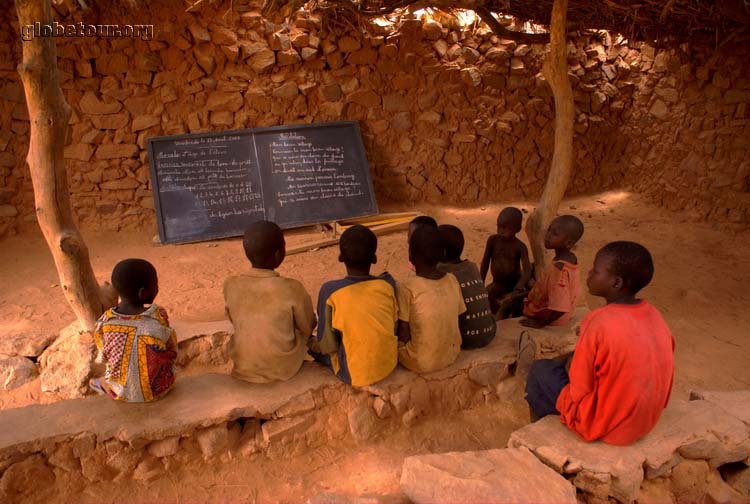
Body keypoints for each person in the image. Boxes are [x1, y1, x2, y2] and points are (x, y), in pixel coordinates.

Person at [524, 241, 675, 445]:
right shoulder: (655, 316)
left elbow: (579, 390)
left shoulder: (598, 321)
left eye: (596, 271)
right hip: (644, 421)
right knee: (567, 360)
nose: (588, 273)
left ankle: (542, 436)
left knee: (539, 370)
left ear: (616, 283)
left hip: (605, 425)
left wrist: (569, 367)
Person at [223, 220, 316, 383]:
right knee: (304, 334)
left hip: (243, 367)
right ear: (279, 253)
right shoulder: (292, 288)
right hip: (283, 369)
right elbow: (308, 327)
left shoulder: (230, 284)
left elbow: (234, 320)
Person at [312, 225, 398, 387]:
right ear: (374, 258)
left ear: (340, 257)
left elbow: (327, 344)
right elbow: (393, 327)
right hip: (388, 364)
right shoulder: (387, 285)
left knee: (311, 345)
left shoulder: (330, 290)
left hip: (351, 373)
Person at [91, 258, 177, 402]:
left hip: (122, 394)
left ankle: (102, 384)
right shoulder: (158, 315)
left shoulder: (105, 321)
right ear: (143, 293)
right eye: (155, 284)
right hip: (158, 391)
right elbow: (172, 349)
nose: (158, 288)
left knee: (107, 373)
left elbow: (103, 357)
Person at [397, 226, 467, 373]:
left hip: (419, 362)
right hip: (451, 355)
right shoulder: (452, 280)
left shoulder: (406, 287)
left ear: (410, 255)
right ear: (443, 254)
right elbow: (459, 316)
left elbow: (403, 331)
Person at [437, 224, 496, 349]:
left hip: (465, 339)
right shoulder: (472, 266)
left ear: (442, 252)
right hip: (490, 332)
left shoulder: (443, 272)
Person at [521, 215, 584, 328]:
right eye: (549, 230)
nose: (548, 236)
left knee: (510, 304)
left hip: (552, 318)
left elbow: (561, 308)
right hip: (555, 309)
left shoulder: (559, 272)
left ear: (569, 243)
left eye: (554, 234)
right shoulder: (570, 259)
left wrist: (539, 324)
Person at [480, 207, 532, 318]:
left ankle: (507, 315)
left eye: (505, 228)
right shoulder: (492, 241)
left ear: (517, 229)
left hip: (514, 284)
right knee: (486, 294)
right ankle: (496, 314)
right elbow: (485, 262)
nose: (500, 231)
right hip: (498, 282)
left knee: (514, 301)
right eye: (498, 226)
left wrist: (519, 287)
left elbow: (527, 269)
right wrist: (480, 282)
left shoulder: (520, 247)